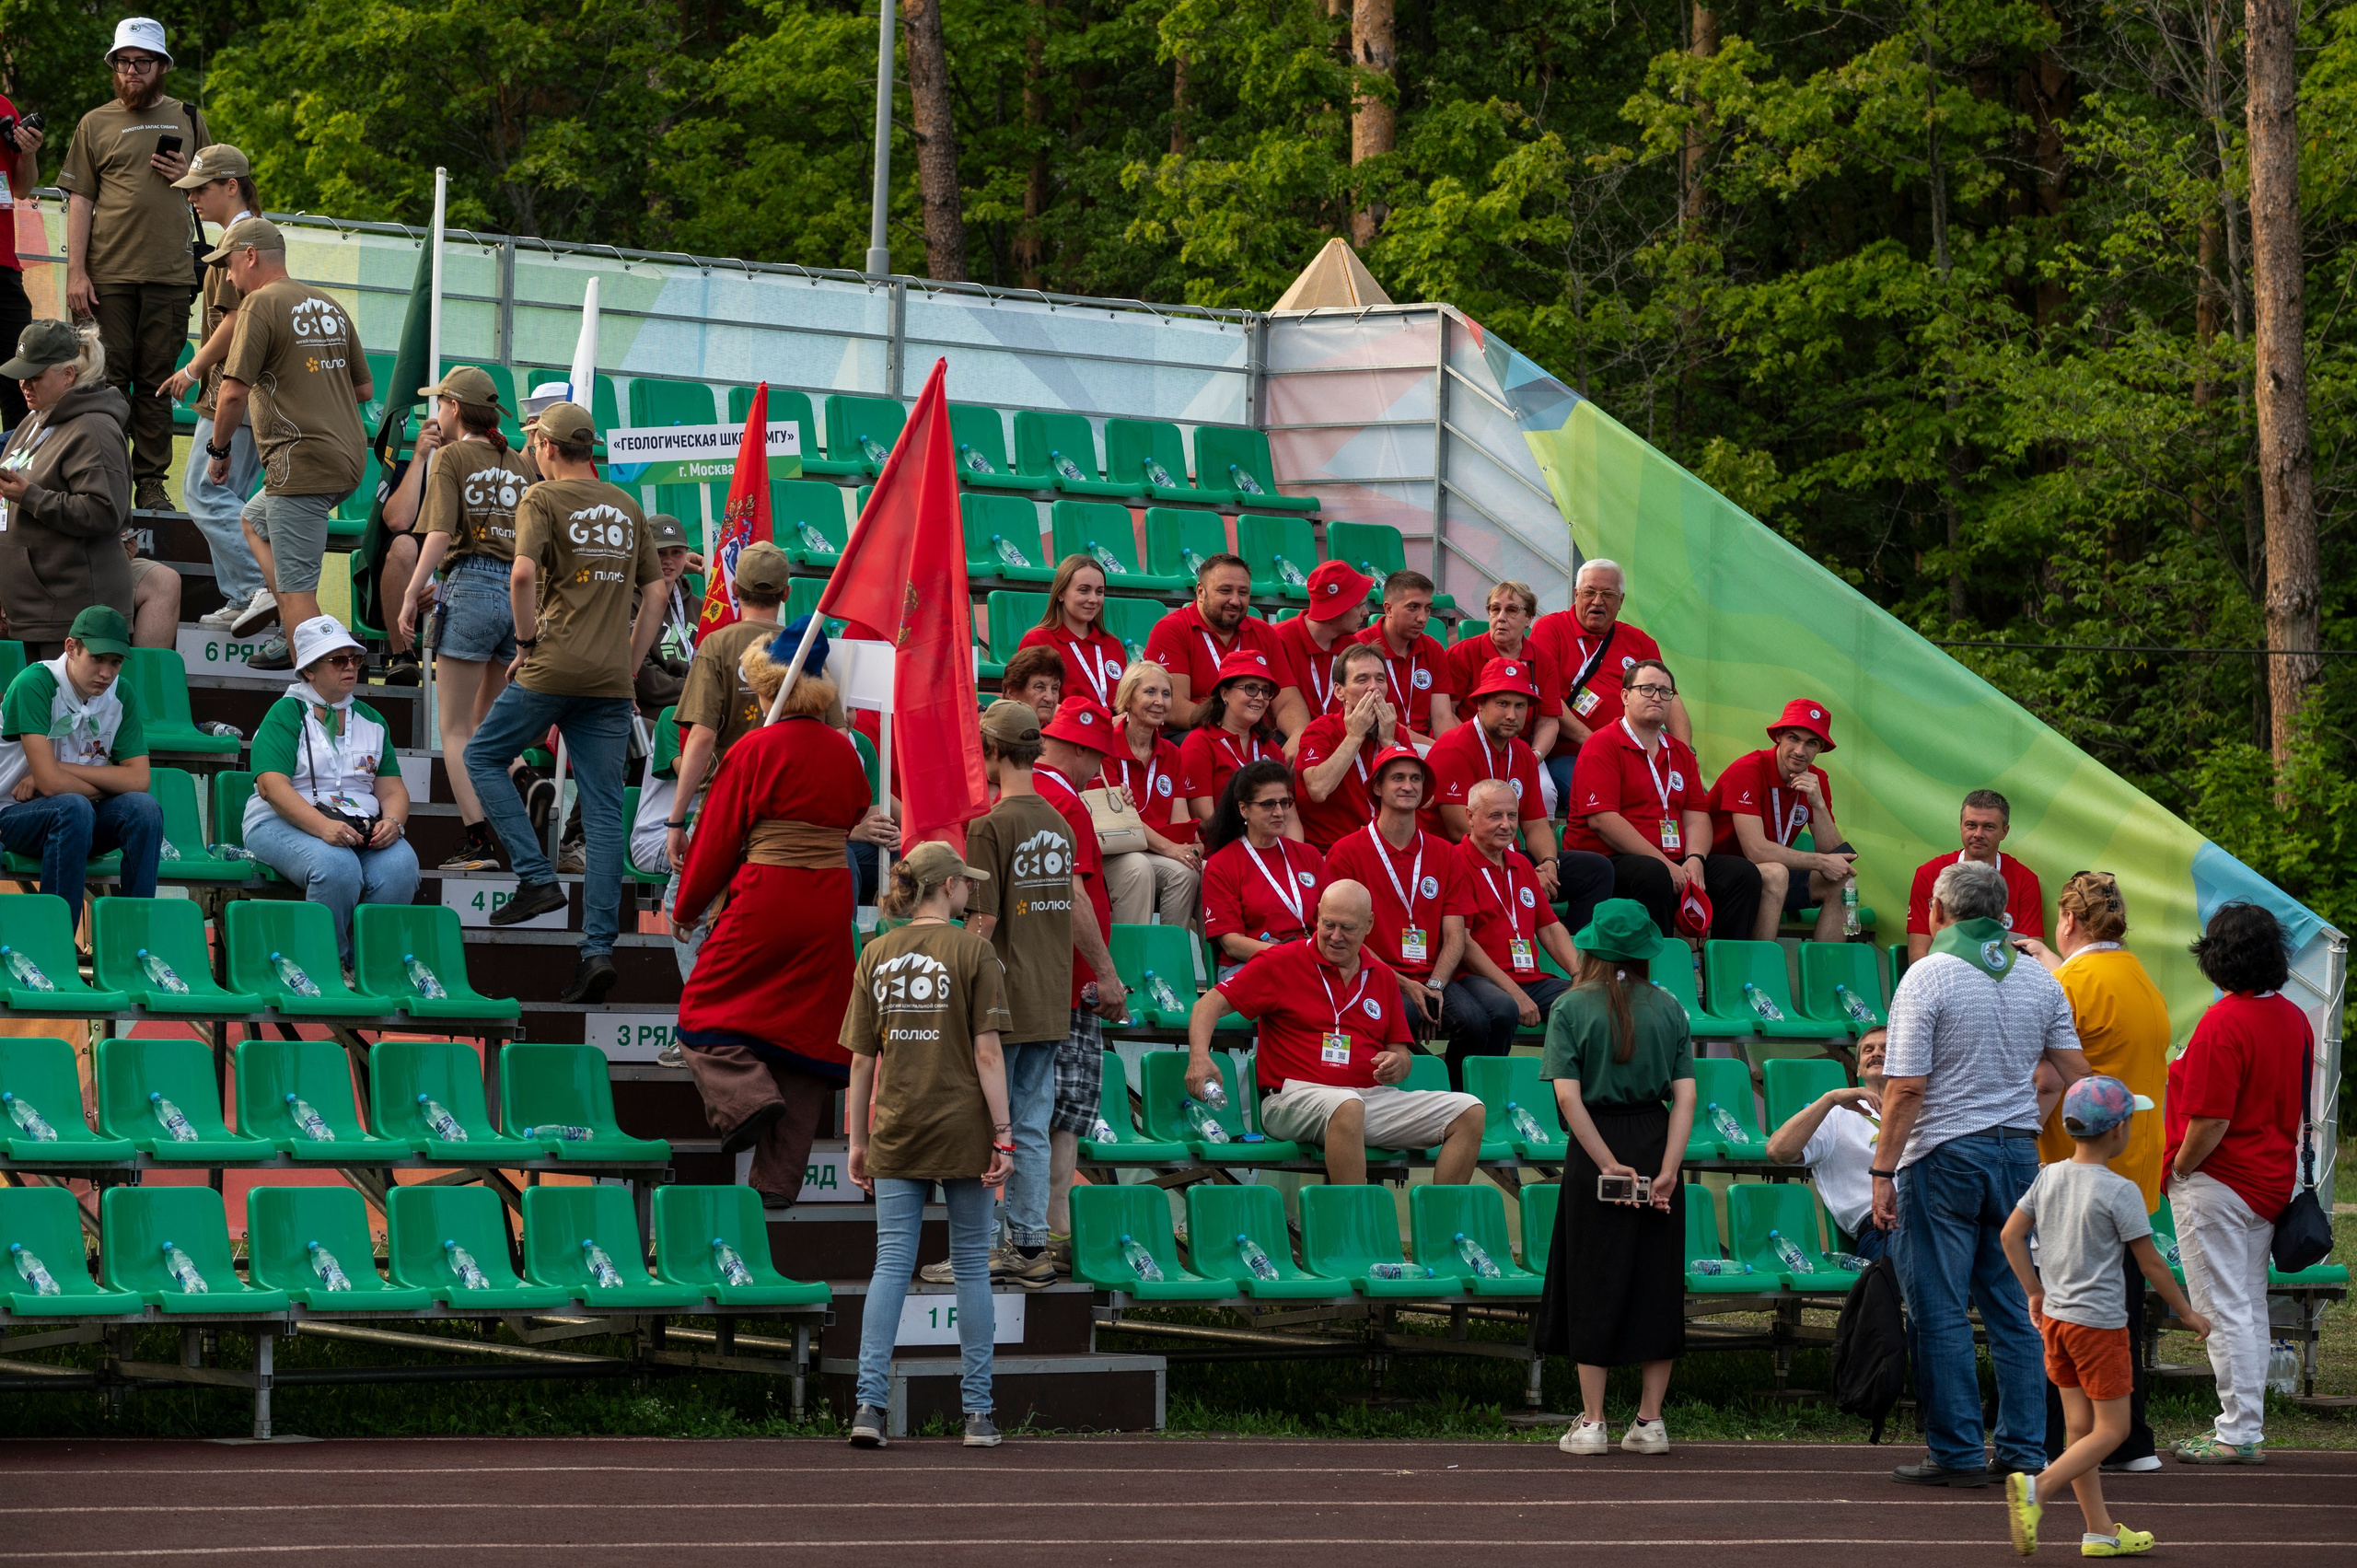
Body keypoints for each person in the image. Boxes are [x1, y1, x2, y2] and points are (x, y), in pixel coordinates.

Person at [1873, 857, 2093, 1488]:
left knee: (1940, 1307)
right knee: (2016, 1307)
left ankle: (1958, 1452)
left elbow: (1906, 1087)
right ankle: (2022, 1449)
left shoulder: (1926, 975)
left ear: (1939, 911)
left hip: (1944, 1154)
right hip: (2018, 1152)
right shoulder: (2038, 979)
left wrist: (1882, 1169)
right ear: (2004, 914)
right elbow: (2076, 1072)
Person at [461, 401, 668, 1003]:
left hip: (551, 666)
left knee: (480, 756)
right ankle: (596, 950)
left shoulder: (542, 498)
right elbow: (657, 595)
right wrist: (629, 665)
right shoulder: (627, 506)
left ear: (548, 447)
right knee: (603, 817)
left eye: (534, 444)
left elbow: (522, 576)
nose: (532, 451)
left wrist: (525, 643)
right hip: (609, 681)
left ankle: (535, 876)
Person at [672, 625, 873, 1209]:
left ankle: (748, 1102)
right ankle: (778, 1183)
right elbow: (857, 807)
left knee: (701, 1010)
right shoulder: (845, 751)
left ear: (767, 686)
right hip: (829, 902)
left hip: (768, 894)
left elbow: (716, 838)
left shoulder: (754, 749)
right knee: (806, 1038)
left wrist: (687, 907)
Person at [843, 840, 1015, 1452]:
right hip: (963, 1126)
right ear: (947, 887)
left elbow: (862, 1062)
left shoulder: (876, 952)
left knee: (891, 1262)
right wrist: (1004, 1134)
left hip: (896, 1125)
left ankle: (869, 1406)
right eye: (965, 881)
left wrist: (857, 1141)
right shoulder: (975, 950)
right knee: (970, 1264)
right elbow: (988, 1053)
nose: (970, 888)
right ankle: (978, 1414)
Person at [2000, 1076, 2211, 1556]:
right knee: (2114, 1430)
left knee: (2079, 1430)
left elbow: (2011, 1237)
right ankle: (2038, 1489)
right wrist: (2186, 1312)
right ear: (2119, 1130)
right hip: (2099, 1327)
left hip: (2057, 1322)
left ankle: (2099, 1531)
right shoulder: (2121, 1190)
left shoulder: (2049, 1175)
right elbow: (2151, 1263)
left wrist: (2034, 1292)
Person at [2013, 871, 2171, 1472]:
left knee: (2066, 1313)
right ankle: (2130, 1439)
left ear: (2069, 920)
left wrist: (2019, 1141)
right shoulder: (2139, 977)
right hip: (2133, 1166)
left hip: (2075, 1170)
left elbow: (2048, 1078)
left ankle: (2060, 1438)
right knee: (2119, 1310)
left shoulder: (2070, 983)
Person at [1186, 879, 1487, 1185]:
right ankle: (1351, 1214)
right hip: (1291, 1098)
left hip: (1367, 1098)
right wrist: (1199, 1057)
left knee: (1469, 1111)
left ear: (1369, 924)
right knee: (1346, 1106)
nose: (1335, 936)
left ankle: (1444, 1215)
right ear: (1318, 915)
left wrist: (1398, 1064)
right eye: (1328, 924)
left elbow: (1400, 1052)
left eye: (1348, 928)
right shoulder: (1281, 961)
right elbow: (1209, 1003)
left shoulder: (1382, 976)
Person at [1536, 898, 1695, 1458]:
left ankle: (1594, 1422)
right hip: (1655, 1138)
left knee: (1593, 1277)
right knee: (1657, 1280)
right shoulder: (1670, 1006)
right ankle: (1650, 1421)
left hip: (1595, 1146)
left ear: (1592, 947)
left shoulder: (1569, 1006)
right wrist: (1670, 1167)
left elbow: (1568, 1098)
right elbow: (1685, 1097)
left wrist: (1605, 1162)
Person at [929, 700, 1076, 1289]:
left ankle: (978, 1251)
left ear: (991, 751)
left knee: (987, 1124)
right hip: (1050, 998)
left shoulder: (989, 825)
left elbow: (983, 920)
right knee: (1032, 1128)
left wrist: (951, 974)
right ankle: (1030, 1247)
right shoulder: (1060, 821)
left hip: (1002, 1002)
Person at [2165, 900, 2314, 1466]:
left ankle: (2236, 1432)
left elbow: (2210, 1121)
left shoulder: (2223, 1021)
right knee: (2247, 1307)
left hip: (2219, 1180)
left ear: (2216, 957)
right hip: (2268, 1180)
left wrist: (2179, 1169)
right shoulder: (2294, 1017)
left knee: (2225, 1310)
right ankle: (2244, 1426)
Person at [206, 217, 375, 670]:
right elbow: (363, 388)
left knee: (300, 592)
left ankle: (318, 685)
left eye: (228, 265)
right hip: (347, 460)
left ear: (250, 256)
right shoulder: (327, 303)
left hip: (300, 463)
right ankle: (279, 604)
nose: (228, 278)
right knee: (252, 520)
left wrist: (219, 451)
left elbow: (233, 392)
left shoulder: (259, 305)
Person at [58, 17, 207, 512]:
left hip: (170, 275)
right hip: (106, 277)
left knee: (157, 384)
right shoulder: (93, 123)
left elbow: (216, 192)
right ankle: (105, 479)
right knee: (102, 382)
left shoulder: (188, 116)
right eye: (122, 62)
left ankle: (151, 484)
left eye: (142, 62)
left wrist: (189, 175)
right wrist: (76, 273)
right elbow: (80, 200)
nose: (131, 72)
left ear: (162, 66)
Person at [396, 366, 535, 872]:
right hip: (516, 594)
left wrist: (411, 592)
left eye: (440, 403)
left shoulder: (452, 457)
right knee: (485, 721)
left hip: (470, 586)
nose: (437, 412)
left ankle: (478, 841)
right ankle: (525, 777)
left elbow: (437, 534)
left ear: (454, 408)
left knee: (453, 729)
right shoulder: (520, 463)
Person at [241, 616, 419, 966]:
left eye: (355, 658)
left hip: (356, 825)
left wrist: (394, 823)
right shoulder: (285, 713)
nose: (350, 666)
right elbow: (271, 787)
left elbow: (393, 790)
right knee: (337, 868)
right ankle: (326, 965)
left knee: (401, 867)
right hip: (278, 821)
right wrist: (323, 827)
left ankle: (366, 967)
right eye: (338, 660)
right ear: (309, 670)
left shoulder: (372, 719)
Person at [1028, 696, 1132, 1258]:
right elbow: (1071, 896)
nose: (1097, 767)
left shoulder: (1027, 791)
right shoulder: (1064, 801)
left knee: (1044, 1111)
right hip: (1065, 985)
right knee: (1062, 1112)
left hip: (1041, 981)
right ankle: (1049, 1230)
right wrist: (1108, 975)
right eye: (1094, 755)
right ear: (1077, 750)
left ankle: (1042, 1229)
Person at [1563, 658, 1762, 943]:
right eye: (1647, 689)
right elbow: (1603, 821)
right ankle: (1659, 963)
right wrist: (1666, 864)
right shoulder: (1603, 743)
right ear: (1625, 696)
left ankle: (1726, 964)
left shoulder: (1680, 752)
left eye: (1665, 691)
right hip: (1609, 861)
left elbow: (1696, 814)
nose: (1657, 697)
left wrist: (1695, 858)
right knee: (1654, 874)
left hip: (1672, 859)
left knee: (1742, 875)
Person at [156, 143, 266, 627]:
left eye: (201, 188)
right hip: (244, 391)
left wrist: (192, 369)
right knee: (225, 496)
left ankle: (260, 586)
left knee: (203, 492)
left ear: (231, 185)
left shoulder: (240, 240)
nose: (193, 197)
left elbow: (237, 320)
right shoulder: (251, 234)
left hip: (233, 390)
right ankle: (244, 596)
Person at [0, 605, 162, 912]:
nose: (106, 673)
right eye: (97, 659)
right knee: (73, 808)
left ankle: (136, 927)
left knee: (145, 810)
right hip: (12, 815)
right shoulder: (35, 683)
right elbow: (50, 785)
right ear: (71, 648)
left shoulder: (121, 693)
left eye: (115, 662)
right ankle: (58, 933)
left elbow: (140, 780)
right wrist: (108, 784)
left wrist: (61, 768)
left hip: (79, 818)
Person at [1427, 658, 1607, 926]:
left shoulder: (1522, 752)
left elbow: (1535, 825)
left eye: (1520, 706)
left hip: (1509, 856)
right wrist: (1525, 871)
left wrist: (1548, 863)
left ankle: (1576, 947)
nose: (1512, 715)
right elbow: (1462, 831)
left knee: (1596, 871)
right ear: (1480, 704)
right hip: (1460, 860)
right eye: (1503, 704)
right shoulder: (1454, 747)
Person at [0, 321, 134, 655]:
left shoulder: (95, 428)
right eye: (21, 376)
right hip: (34, 611)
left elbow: (104, 512)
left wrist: (29, 496)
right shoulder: (35, 419)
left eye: (35, 376)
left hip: (73, 619)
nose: (24, 385)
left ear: (68, 375)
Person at [1442, 780, 1583, 1088]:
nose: (1506, 825)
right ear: (1470, 817)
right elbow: (1464, 943)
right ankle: (1482, 1094)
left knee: (1588, 1003)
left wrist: (1581, 975)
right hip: (1477, 979)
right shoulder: (1453, 862)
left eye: (1512, 816)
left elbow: (1550, 928)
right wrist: (1515, 994)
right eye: (1495, 816)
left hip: (1530, 977)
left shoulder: (1521, 864)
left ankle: (1564, 1099)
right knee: (1503, 1009)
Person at [1322, 744, 1468, 1037]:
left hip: (1431, 976)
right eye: (1398, 778)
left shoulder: (1446, 853)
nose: (1408, 786)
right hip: (1371, 973)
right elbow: (1344, 937)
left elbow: (1455, 935)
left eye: (1416, 779)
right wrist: (1406, 985)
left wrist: (1435, 986)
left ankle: (1447, 1071)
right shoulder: (1346, 851)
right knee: (1407, 1012)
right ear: (1377, 787)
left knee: (1475, 1021)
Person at [1529, 558, 1690, 807]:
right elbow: (1546, 697)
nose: (1597, 601)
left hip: (1634, 755)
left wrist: (1684, 754)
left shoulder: (1639, 642)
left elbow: (1670, 697)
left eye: (1608, 594)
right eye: (1589, 592)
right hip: (1568, 753)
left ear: (1621, 600)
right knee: (1606, 794)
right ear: (1576, 594)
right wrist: (1598, 744)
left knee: (1677, 797)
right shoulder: (1550, 629)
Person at [1704, 699, 1859, 941]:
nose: (1800, 751)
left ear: (1820, 748)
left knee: (1842, 883)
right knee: (1776, 873)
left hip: (1770, 875)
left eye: (1811, 743)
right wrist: (1820, 862)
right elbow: (1756, 851)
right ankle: (1762, 964)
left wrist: (1818, 804)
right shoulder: (1748, 770)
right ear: (1778, 736)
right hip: (1718, 875)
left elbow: (1835, 855)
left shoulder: (1816, 780)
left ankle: (1827, 965)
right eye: (1793, 738)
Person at [1767, 1026, 1890, 1260]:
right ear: (1858, 1069)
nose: (1876, 1053)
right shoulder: (1837, 1115)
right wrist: (1830, 1099)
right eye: (1868, 1050)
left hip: (1934, 1221)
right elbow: (1777, 1151)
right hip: (1883, 1232)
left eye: (1886, 1049)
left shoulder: (1925, 1112)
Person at [1202, 760, 1329, 974]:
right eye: (1268, 804)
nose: (1279, 812)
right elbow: (1232, 943)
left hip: (1308, 961)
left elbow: (1330, 919)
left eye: (1284, 802)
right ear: (1244, 809)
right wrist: (1290, 955)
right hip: (1250, 965)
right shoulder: (1222, 865)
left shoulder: (1309, 855)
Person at [1143, 552, 1295, 730]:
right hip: (1194, 732)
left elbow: (1288, 702)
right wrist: (1233, 730)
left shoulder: (1264, 633)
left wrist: (1297, 736)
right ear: (1200, 592)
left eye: (1243, 593)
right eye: (1225, 591)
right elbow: (1175, 707)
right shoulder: (1171, 629)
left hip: (1253, 735)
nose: (1235, 601)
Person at [1100, 661, 1200, 927]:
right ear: (1128, 699)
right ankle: (1136, 951)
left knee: (1194, 871)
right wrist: (1170, 848)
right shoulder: (1105, 745)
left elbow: (1180, 818)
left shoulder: (1172, 753)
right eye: (1150, 692)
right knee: (1143, 867)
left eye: (1166, 694)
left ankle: (1172, 952)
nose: (1160, 701)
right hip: (1115, 851)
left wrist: (1191, 846)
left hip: (1153, 851)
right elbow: (1119, 820)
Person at [1907, 790, 2046, 961]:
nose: (1978, 834)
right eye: (1971, 825)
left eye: (1988, 827)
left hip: (2002, 975)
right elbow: (1918, 955)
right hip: (1943, 974)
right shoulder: (1929, 874)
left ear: (2004, 831)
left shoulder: (2025, 880)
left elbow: (2032, 956)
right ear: (1961, 826)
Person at [1443, 580, 1562, 766]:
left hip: (1522, 754)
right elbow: (1445, 713)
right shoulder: (1462, 653)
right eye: (1495, 609)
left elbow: (1548, 721)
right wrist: (1475, 750)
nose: (1501, 618)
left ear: (1529, 618)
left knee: (1551, 785)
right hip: (1469, 750)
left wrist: (1534, 757)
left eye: (1512, 610)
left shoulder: (1544, 661)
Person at [1293, 642, 1394, 851]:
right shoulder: (1320, 730)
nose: (1374, 687)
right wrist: (1354, 736)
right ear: (1339, 691)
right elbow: (1318, 789)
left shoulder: (1392, 729)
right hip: (1331, 851)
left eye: (1380, 679)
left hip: (1384, 849)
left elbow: (1423, 799)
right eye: (1362, 679)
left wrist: (1389, 745)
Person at [1178, 648, 1286, 827]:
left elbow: (1289, 817)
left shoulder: (1271, 748)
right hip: (1223, 841)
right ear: (1224, 694)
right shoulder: (1199, 743)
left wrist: (1293, 845)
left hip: (1268, 840)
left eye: (1265, 691)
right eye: (1251, 688)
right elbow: (1206, 820)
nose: (1260, 697)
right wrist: (1249, 841)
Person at [1267, 559, 1373, 740]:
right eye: (1359, 606)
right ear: (1338, 608)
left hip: (1342, 739)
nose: (1366, 613)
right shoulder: (1278, 640)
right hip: (1291, 741)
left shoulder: (1354, 647)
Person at [1352, 569, 1456, 744]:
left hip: (1422, 745)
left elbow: (1442, 717)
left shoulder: (1433, 649)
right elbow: (1375, 720)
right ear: (1388, 609)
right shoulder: (1360, 647)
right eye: (1413, 607)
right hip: (1376, 743)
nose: (1422, 618)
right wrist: (1434, 748)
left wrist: (1451, 750)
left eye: (1428, 609)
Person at [1017, 555, 1126, 711]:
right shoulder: (1038, 641)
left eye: (1099, 591)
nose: (1093, 599)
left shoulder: (1112, 644)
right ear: (1061, 593)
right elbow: (1030, 703)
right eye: (1084, 590)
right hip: (1061, 727)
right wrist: (1094, 720)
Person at [0, 86, 42, 432]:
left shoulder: (4, 106)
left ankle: (14, 463)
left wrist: (28, 153)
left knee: (19, 375)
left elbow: (23, 188)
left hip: (4, 265)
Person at [633, 514, 699, 715]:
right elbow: (643, 681)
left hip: (698, 708)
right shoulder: (629, 603)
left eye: (676, 552)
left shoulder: (700, 606)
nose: (668, 560)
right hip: (655, 715)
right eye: (660, 552)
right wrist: (698, 690)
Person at [1001, 643, 1063, 726]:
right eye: (1040, 687)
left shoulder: (1058, 732)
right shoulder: (997, 732)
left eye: (1054, 688)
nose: (1050, 698)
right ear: (1012, 692)